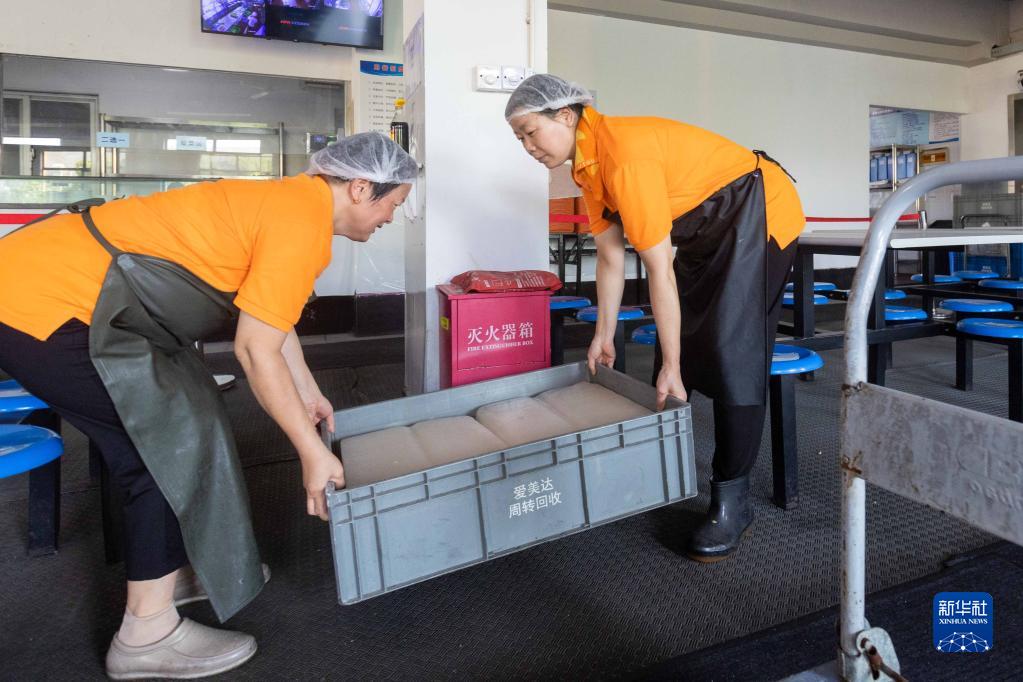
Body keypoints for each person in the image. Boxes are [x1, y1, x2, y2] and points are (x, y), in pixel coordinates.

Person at [0, 132, 416, 679]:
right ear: (361, 188)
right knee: (160, 447)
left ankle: (166, 569)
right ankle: (145, 634)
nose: (391, 217)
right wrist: (311, 452)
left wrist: (308, 391)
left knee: (192, 413)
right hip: (42, 304)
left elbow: (271, 315)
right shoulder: (300, 223)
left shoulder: (293, 203)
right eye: (393, 203)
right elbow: (254, 350)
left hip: (55, 292)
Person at [505, 74, 805, 564]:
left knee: (733, 352)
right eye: (519, 138)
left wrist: (670, 363)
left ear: (565, 116)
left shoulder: (623, 154)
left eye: (530, 132)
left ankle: (733, 501)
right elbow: (609, 258)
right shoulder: (588, 168)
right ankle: (661, 467)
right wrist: (603, 335)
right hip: (710, 231)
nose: (527, 147)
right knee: (686, 340)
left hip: (760, 209)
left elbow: (657, 268)